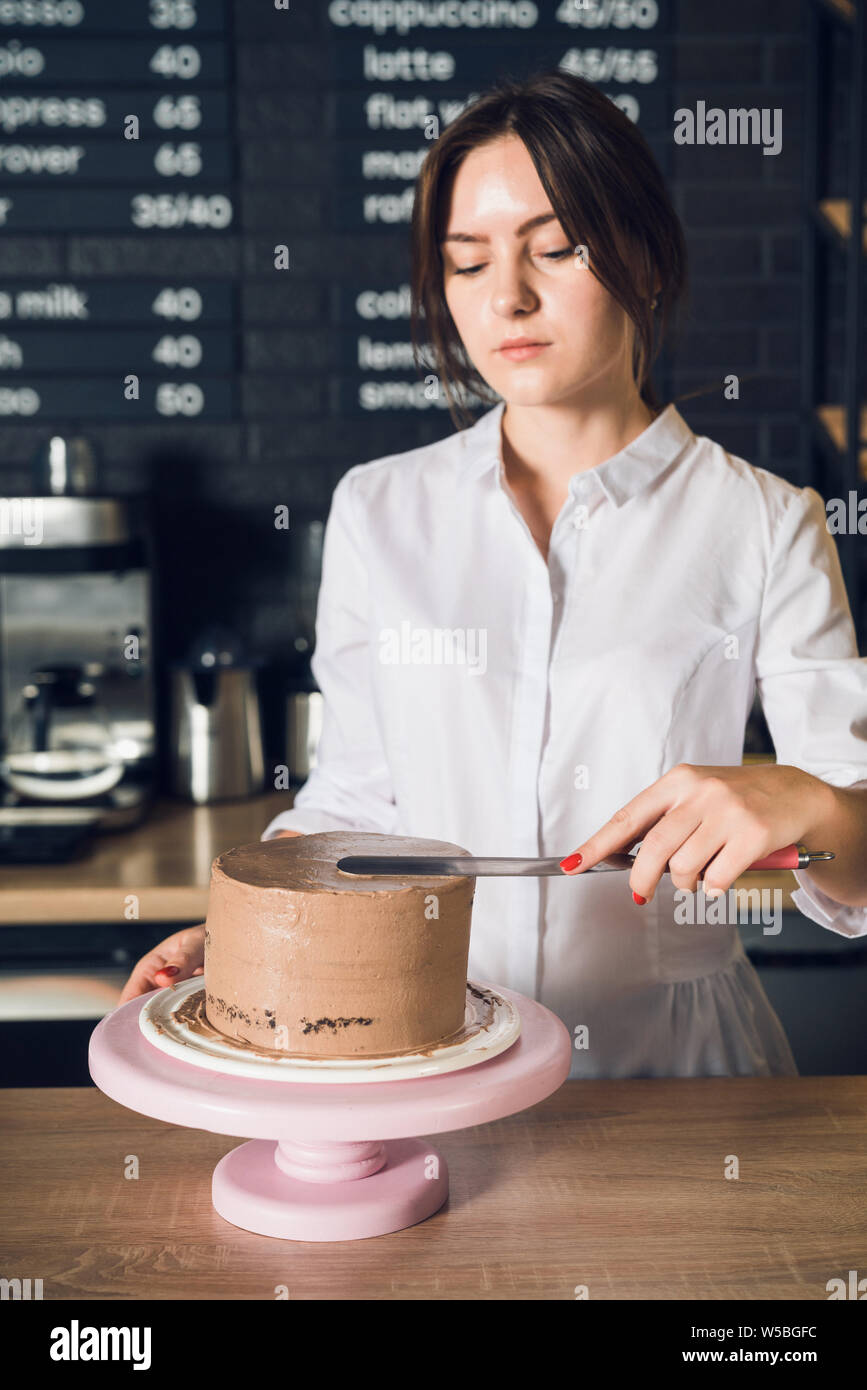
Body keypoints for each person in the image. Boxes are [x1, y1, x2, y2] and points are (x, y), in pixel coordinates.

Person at [120, 70, 867, 1078]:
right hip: (430, 1045)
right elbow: (356, 806)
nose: (507, 295)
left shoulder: (768, 521)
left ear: (643, 256)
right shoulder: (380, 511)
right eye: (468, 263)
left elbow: (850, 862)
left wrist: (809, 806)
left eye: (555, 249)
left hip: (676, 1073)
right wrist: (249, 940)